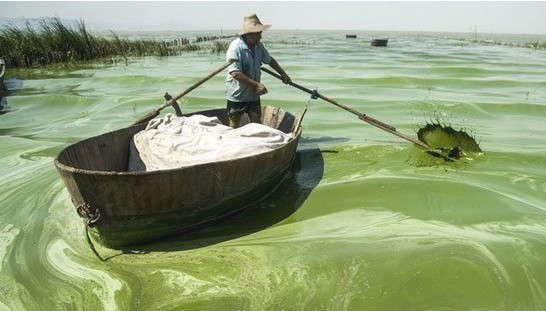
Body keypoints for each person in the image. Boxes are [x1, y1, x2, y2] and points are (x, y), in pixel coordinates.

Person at [225, 14, 291, 128]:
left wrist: (283, 73)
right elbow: (235, 73)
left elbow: (270, 61)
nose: (261, 37)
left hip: (253, 96)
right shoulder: (236, 48)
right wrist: (256, 85)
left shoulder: (258, 46)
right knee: (233, 127)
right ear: (249, 34)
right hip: (237, 96)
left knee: (256, 125)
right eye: (258, 34)